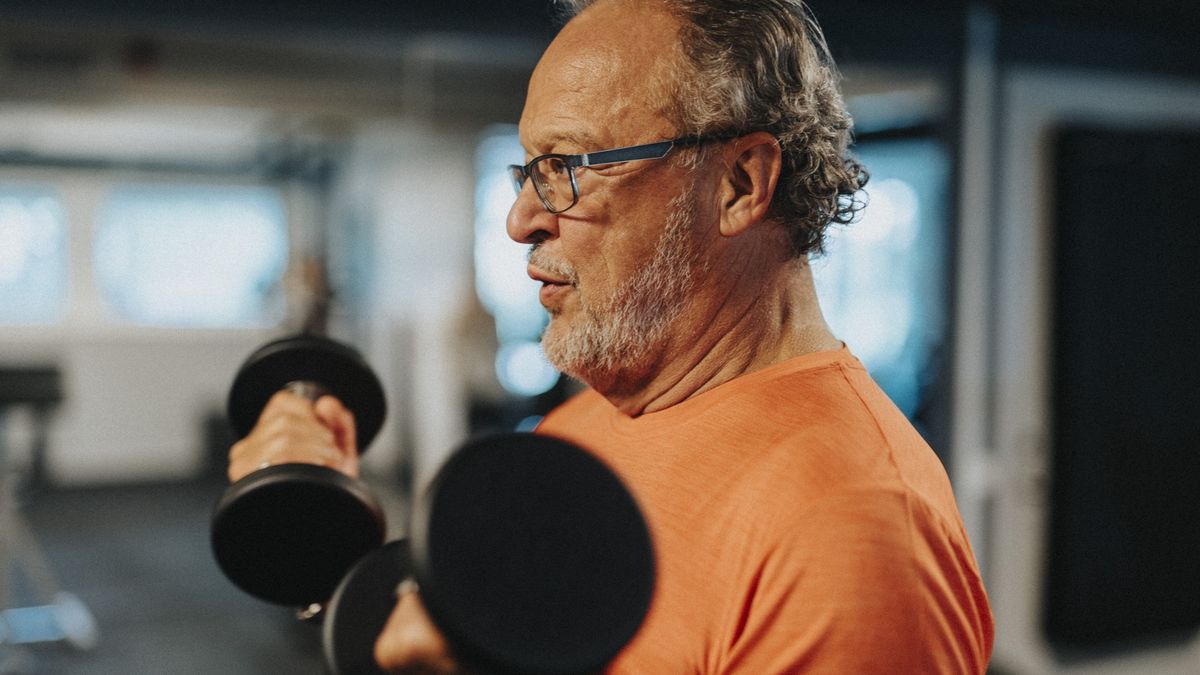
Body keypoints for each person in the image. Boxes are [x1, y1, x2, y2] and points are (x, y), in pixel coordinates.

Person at [229, 0, 995, 672]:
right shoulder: (593, 417)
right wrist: (326, 542)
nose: (521, 219)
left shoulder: (855, 532)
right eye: (527, 170)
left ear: (738, 184)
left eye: (566, 167)